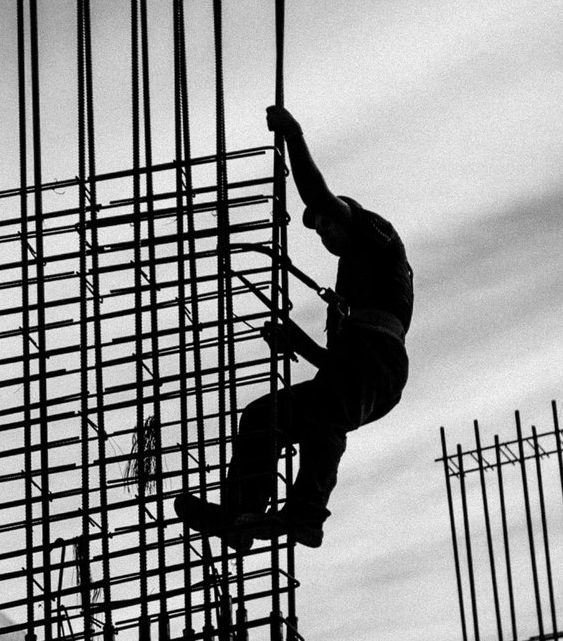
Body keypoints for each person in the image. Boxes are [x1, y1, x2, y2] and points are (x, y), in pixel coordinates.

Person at [175, 105, 413, 550]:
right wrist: (296, 341)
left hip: (380, 366)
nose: (324, 234)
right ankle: (240, 514)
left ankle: (306, 515)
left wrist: (292, 133)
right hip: (356, 372)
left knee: (327, 412)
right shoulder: (346, 291)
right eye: (318, 232)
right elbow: (336, 366)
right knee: (263, 417)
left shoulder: (380, 239)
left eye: (328, 225)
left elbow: (318, 197)